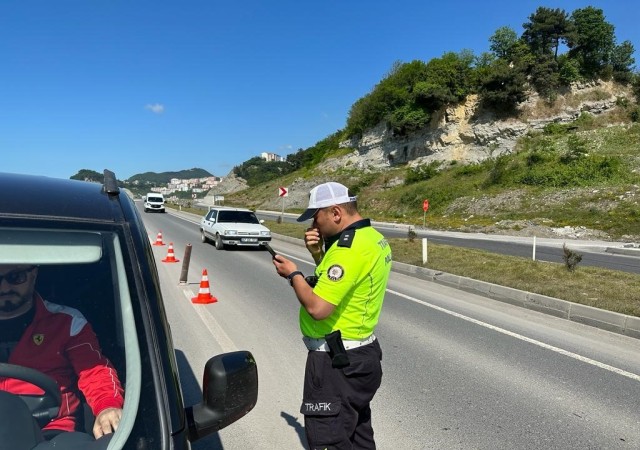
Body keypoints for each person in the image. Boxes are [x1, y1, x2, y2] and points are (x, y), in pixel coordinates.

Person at [272, 181, 392, 450]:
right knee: (358, 435)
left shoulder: (347, 249)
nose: (314, 226)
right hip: (362, 355)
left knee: (329, 440)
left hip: (336, 363)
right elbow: (339, 283)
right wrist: (318, 254)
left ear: (336, 213)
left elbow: (318, 308)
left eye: (317, 217)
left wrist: (293, 275)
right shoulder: (372, 238)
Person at [0, 264, 124, 441]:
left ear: (33, 274)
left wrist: (107, 407)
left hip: (51, 433)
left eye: (16, 277)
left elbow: (95, 372)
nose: (4, 288)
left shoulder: (67, 323)